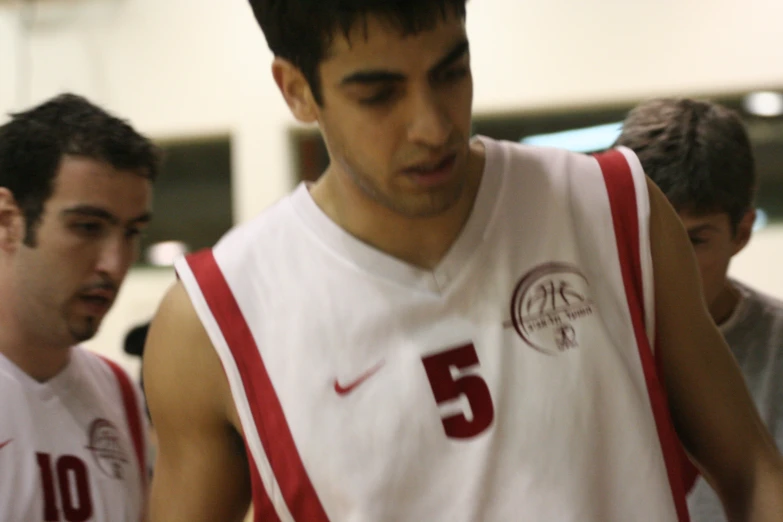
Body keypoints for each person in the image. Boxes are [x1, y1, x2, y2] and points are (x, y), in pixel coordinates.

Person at [142, 2, 783, 521]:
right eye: (380, 95)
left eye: (450, 73)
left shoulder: (613, 207)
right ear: (298, 91)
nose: (431, 124)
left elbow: (753, 474)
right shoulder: (213, 320)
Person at [614, 97, 783, 522]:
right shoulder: (580, 337)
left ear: (741, 233)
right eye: (648, 235)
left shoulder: (776, 346)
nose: (665, 260)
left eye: (694, 240)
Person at [0, 93, 160, 521]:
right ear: (8, 221)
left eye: (131, 233)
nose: (114, 263)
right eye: (88, 228)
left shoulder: (118, 393)